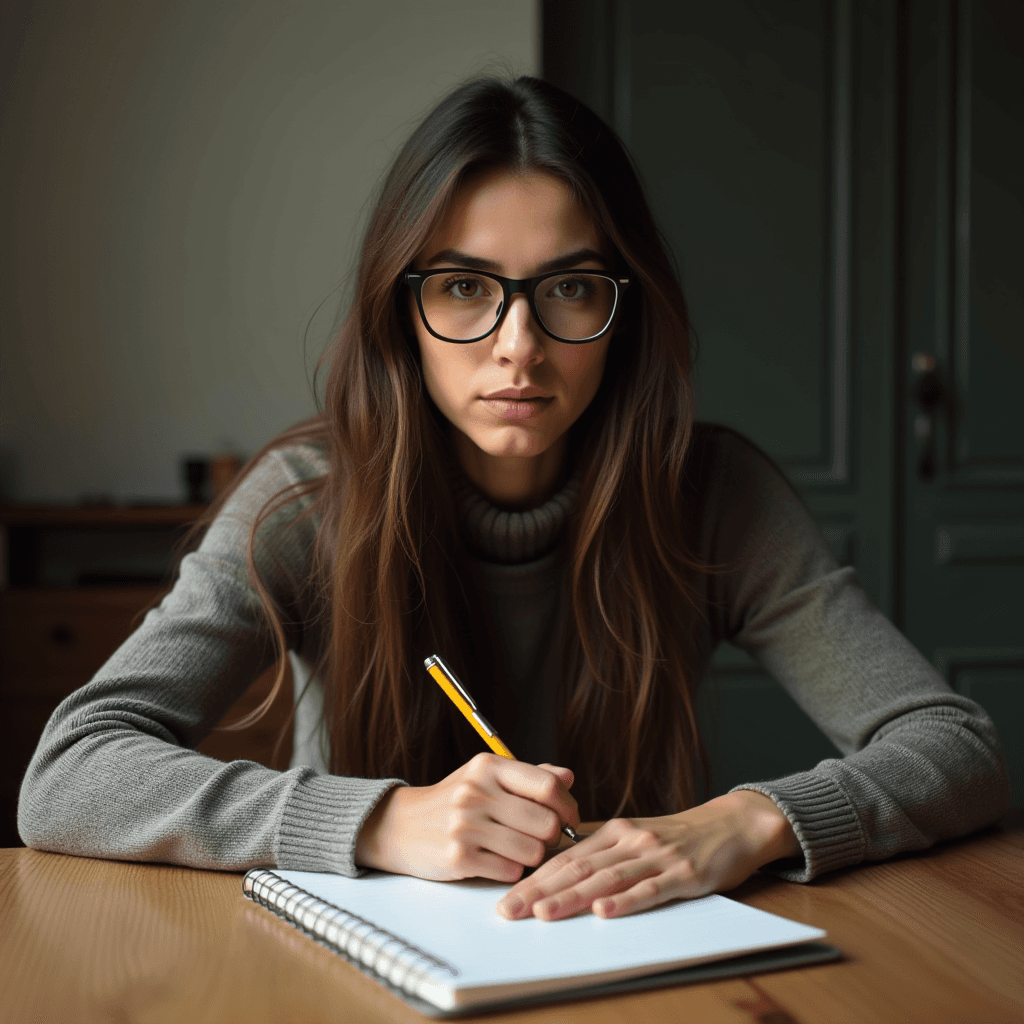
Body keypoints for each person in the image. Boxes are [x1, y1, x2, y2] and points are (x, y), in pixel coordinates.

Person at [18, 76, 1009, 922]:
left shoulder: (711, 493)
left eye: (570, 288)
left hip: (630, 959)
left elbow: (953, 746)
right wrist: (378, 819)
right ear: (399, 310)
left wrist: (747, 820)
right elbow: (70, 773)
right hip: (361, 973)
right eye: (462, 288)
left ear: (622, 309)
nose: (518, 346)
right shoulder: (304, 504)